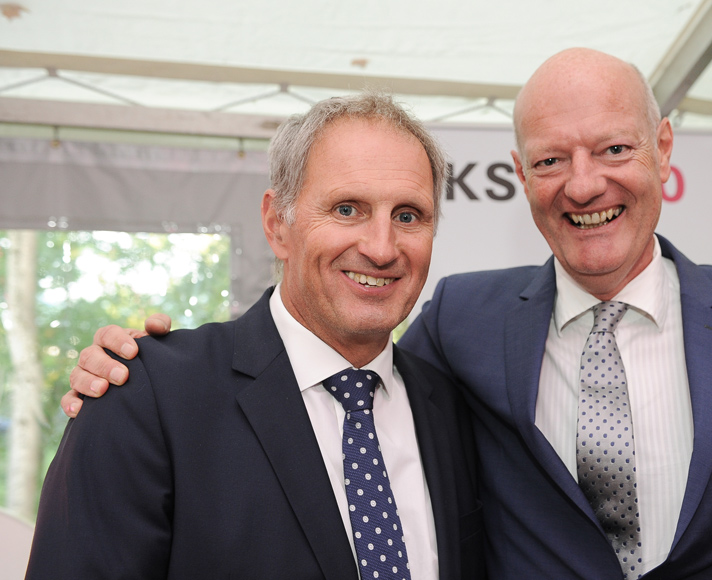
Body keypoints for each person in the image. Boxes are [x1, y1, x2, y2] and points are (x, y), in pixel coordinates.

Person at [64, 48, 712, 579]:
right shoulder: (463, 327)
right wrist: (119, 370)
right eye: (347, 209)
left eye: (409, 216)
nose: (585, 183)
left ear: (663, 150)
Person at [27, 93, 484, 580]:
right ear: (277, 224)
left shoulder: (453, 411)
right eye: (347, 209)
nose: (381, 247)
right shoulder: (144, 394)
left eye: (408, 216)